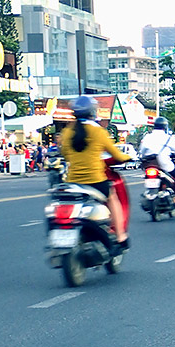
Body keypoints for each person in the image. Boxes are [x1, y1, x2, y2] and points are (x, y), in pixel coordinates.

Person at [60, 95, 131, 249]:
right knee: (112, 197)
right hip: (96, 181)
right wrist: (127, 157)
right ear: (92, 112)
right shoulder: (98, 132)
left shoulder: (67, 132)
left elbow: (65, 155)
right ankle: (120, 236)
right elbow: (116, 154)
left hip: (72, 181)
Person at [139, 115, 175, 207]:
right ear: (165, 127)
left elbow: (142, 151)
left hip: (149, 164)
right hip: (164, 165)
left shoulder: (147, 137)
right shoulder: (168, 138)